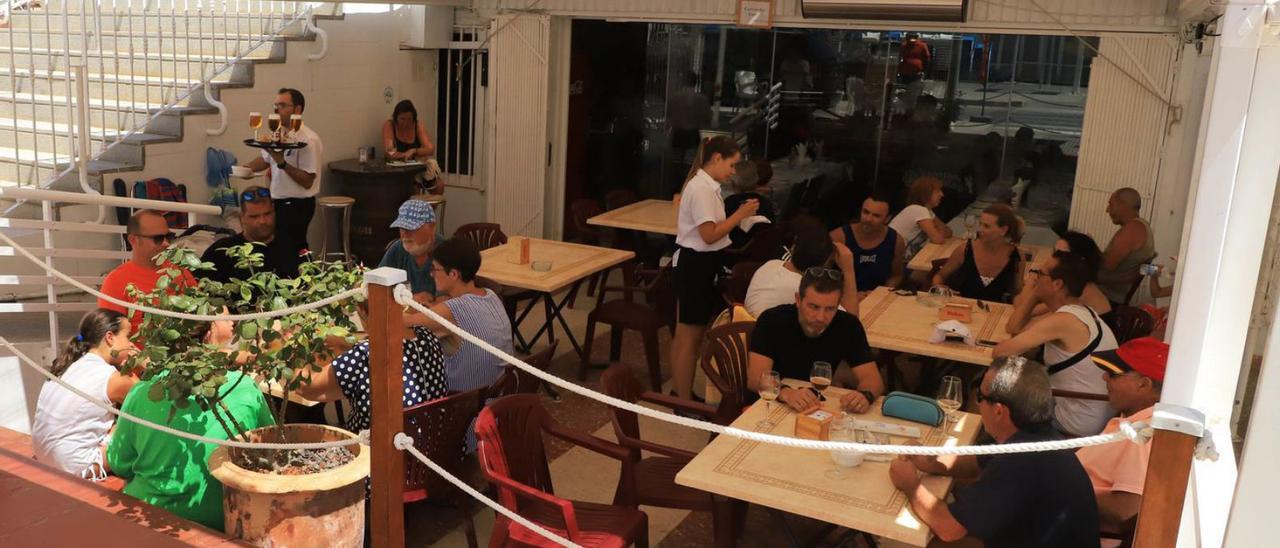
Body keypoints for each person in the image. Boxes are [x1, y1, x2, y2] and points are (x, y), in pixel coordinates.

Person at [888, 357, 1100, 547]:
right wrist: (929, 461)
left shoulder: (1021, 461)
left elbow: (949, 529)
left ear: (999, 410)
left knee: (900, 540)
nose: (977, 402)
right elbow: (974, 463)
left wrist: (910, 485)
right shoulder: (1034, 433)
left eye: (980, 396)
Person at [107, 319, 275, 531]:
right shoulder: (244, 387)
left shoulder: (142, 391)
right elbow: (270, 449)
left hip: (146, 515)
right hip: (220, 519)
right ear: (208, 334)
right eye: (221, 316)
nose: (232, 320)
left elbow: (119, 462)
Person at [669, 136, 758, 400]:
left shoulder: (708, 187)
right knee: (689, 337)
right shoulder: (702, 189)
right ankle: (683, 400)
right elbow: (708, 234)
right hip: (695, 264)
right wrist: (739, 216)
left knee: (688, 334)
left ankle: (680, 392)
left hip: (701, 263)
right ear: (717, 158)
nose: (733, 171)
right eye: (731, 165)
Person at [997, 252, 1119, 437]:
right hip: (1095, 410)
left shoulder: (1064, 320)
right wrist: (1035, 295)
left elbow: (1000, 352)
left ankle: (984, 451)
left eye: (1040, 273)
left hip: (1078, 417)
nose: (1035, 278)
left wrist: (1032, 294)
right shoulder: (1082, 312)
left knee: (993, 393)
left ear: (1057, 284)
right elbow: (1015, 327)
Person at [746, 268, 885, 414]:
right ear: (798, 300)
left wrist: (864, 396)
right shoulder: (772, 320)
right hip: (769, 405)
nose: (820, 317)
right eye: (814, 307)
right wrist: (787, 393)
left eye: (830, 309)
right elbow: (756, 379)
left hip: (816, 406)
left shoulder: (848, 325)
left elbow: (873, 379)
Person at [1079, 337, 1167, 545]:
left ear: (1143, 385)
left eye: (1113, 374)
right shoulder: (1133, 422)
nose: (1104, 377)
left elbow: (1126, 509)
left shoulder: (1143, 435)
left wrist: (1058, 490)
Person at [32, 309, 139, 478]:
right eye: (128, 336)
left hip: (44, 456)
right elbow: (151, 404)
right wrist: (143, 363)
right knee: (138, 422)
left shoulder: (68, 365)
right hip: (77, 465)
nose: (133, 344)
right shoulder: (112, 378)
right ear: (110, 337)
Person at [405, 237, 514, 392]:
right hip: (501, 397)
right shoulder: (491, 295)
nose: (431, 274)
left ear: (454, 274)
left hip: (468, 407)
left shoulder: (453, 310)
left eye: (435, 269)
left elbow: (401, 324)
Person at [295, 325, 449, 433]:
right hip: (432, 454)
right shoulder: (427, 337)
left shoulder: (364, 355)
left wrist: (296, 349)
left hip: (377, 463)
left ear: (361, 309)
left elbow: (306, 388)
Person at [241, 88, 323, 248]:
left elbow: (307, 181)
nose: (277, 110)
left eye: (283, 105)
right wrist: (247, 168)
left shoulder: (308, 139)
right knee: (275, 246)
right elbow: (266, 159)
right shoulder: (279, 133)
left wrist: (283, 164)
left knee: (294, 247)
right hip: (276, 201)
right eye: (275, 106)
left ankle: (305, 272)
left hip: (296, 204)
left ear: (297, 110)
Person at [99, 209, 196, 333]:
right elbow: (112, 340)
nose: (166, 243)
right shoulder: (115, 282)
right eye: (158, 238)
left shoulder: (181, 273)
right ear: (133, 240)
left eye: (169, 237)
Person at [744, 218, 858, 318]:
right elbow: (851, 324)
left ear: (793, 248)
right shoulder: (805, 289)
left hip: (746, 336)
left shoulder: (771, 265)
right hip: (773, 340)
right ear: (825, 264)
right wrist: (848, 269)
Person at [199, 186, 306, 283]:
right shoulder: (222, 251)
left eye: (267, 214)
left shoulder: (291, 245)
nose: (262, 221)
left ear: (274, 212)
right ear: (242, 218)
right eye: (254, 216)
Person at [934, 204, 1024, 302]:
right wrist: (940, 289)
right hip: (961, 308)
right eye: (980, 224)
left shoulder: (1016, 257)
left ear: (1003, 230)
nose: (980, 229)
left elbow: (1018, 291)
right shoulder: (965, 250)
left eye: (986, 226)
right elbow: (939, 276)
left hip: (995, 311)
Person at [830, 193, 906, 292]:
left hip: (875, 299)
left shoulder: (896, 241)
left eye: (876, 216)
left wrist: (881, 293)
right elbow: (821, 276)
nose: (868, 219)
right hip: (842, 297)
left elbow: (896, 275)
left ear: (887, 219)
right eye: (865, 212)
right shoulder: (839, 237)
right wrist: (848, 295)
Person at [1096, 188, 1156, 305]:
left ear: (1123, 205)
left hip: (1105, 297)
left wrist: (1088, 248)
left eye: (1111, 204)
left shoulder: (1133, 228)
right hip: (1107, 294)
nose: (1107, 210)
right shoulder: (1141, 226)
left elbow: (1107, 266)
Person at [379, 199, 439, 304]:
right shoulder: (398, 248)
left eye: (412, 228)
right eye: (402, 228)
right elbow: (378, 283)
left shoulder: (446, 253)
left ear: (432, 227)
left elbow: (451, 303)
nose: (405, 235)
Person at [1048, 231, 1113, 319]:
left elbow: (1038, 308)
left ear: (1081, 260)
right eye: (1055, 252)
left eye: (1062, 255)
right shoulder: (1077, 281)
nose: (1054, 258)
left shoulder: (1079, 289)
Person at [889, 176, 951, 261]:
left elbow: (948, 232)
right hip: (891, 262)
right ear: (927, 194)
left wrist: (938, 231)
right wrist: (937, 232)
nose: (942, 194)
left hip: (902, 260)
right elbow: (938, 239)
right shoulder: (919, 210)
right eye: (938, 191)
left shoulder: (926, 211)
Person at [723, 158, 777, 247]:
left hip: (736, 252)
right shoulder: (765, 202)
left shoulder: (730, 202)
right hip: (764, 249)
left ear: (734, 184)